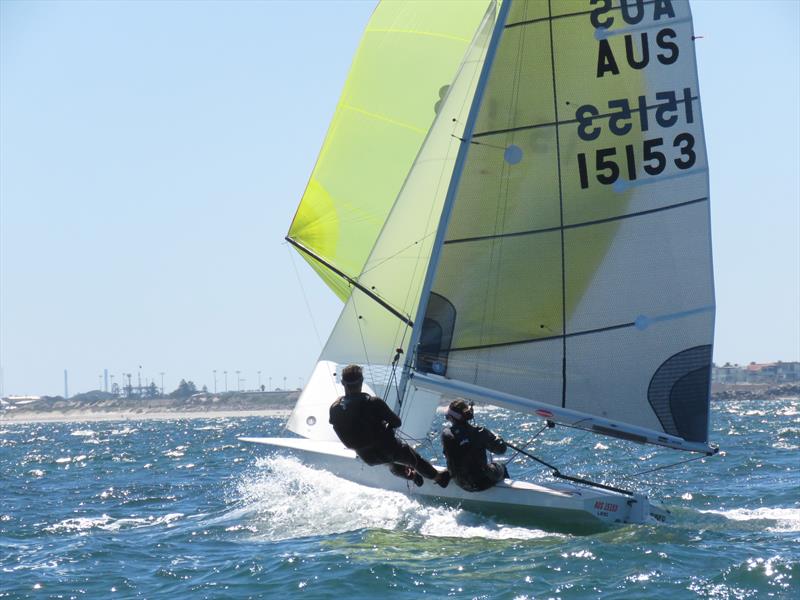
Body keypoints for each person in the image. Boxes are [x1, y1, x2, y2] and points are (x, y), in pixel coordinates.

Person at [329, 364, 449, 488]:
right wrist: (385, 427)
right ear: (362, 381)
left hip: (367, 457)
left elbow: (344, 434)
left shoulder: (335, 409)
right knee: (411, 458)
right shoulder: (373, 402)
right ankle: (439, 478)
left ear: (343, 383)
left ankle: (412, 476)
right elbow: (397, 422)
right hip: (389, 449)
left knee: (390, 462)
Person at [441, 398, 508, 492]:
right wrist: (496, 437)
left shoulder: (446, 434)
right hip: (481, 483)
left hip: (460, 482)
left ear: (452, 418)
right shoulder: (480, 432)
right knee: (502, 467)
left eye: (447, 417)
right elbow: (501, 450)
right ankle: (505, 495)